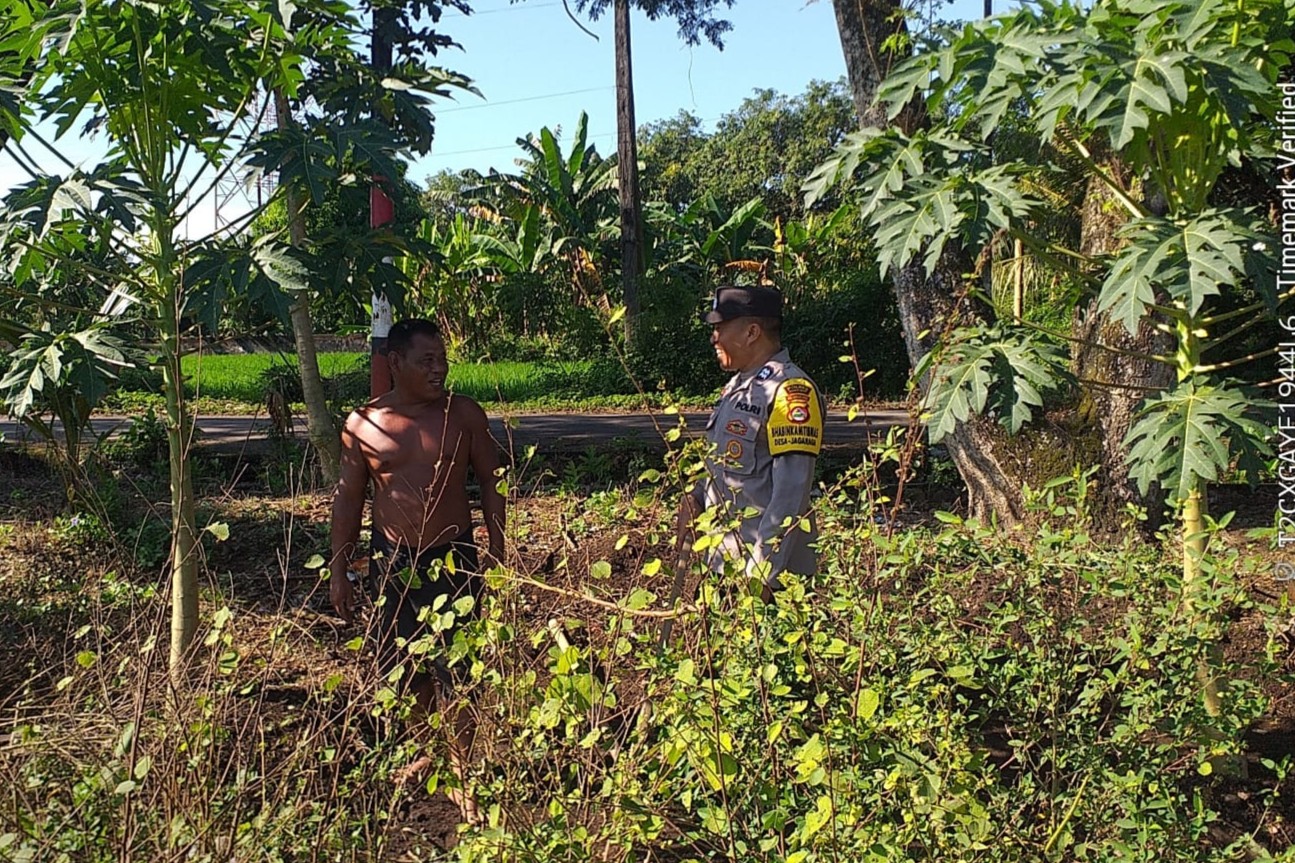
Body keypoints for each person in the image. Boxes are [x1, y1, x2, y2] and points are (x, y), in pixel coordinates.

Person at [329, 317, 505, 823]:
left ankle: (464, 767)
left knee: (459, 670)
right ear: (395, 363)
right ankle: (432, 750)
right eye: (426, 360)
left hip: (454, 560)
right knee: (404, 669)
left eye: (442, 359)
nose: (438, 369)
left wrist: (497, 543)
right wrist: (339, 571)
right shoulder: (363, 425)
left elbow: (491, 482)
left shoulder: (463, 415)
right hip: (393, 564)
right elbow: (348, 502)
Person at [675, 284, 824, 600]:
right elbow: (721, 464)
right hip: (725, 567)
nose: (713, 337)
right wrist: (696, 497)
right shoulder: (738, 387)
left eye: (720, 327)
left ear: (752, 332)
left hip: (770, 583)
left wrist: (761, 576)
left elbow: (790, 495)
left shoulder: (790, 391)